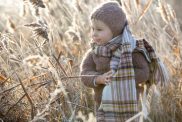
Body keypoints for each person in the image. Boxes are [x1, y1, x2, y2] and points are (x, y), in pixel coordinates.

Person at [80, 1, 168, 122]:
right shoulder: (94, 52)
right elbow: (84, 73)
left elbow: (144, 72)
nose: (94, 33)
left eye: (99, 29)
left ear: (115, 30)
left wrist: (121, 76)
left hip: (130, 104)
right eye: (93, 29)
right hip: (103, 105)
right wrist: (98, 78)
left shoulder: (131, 49)